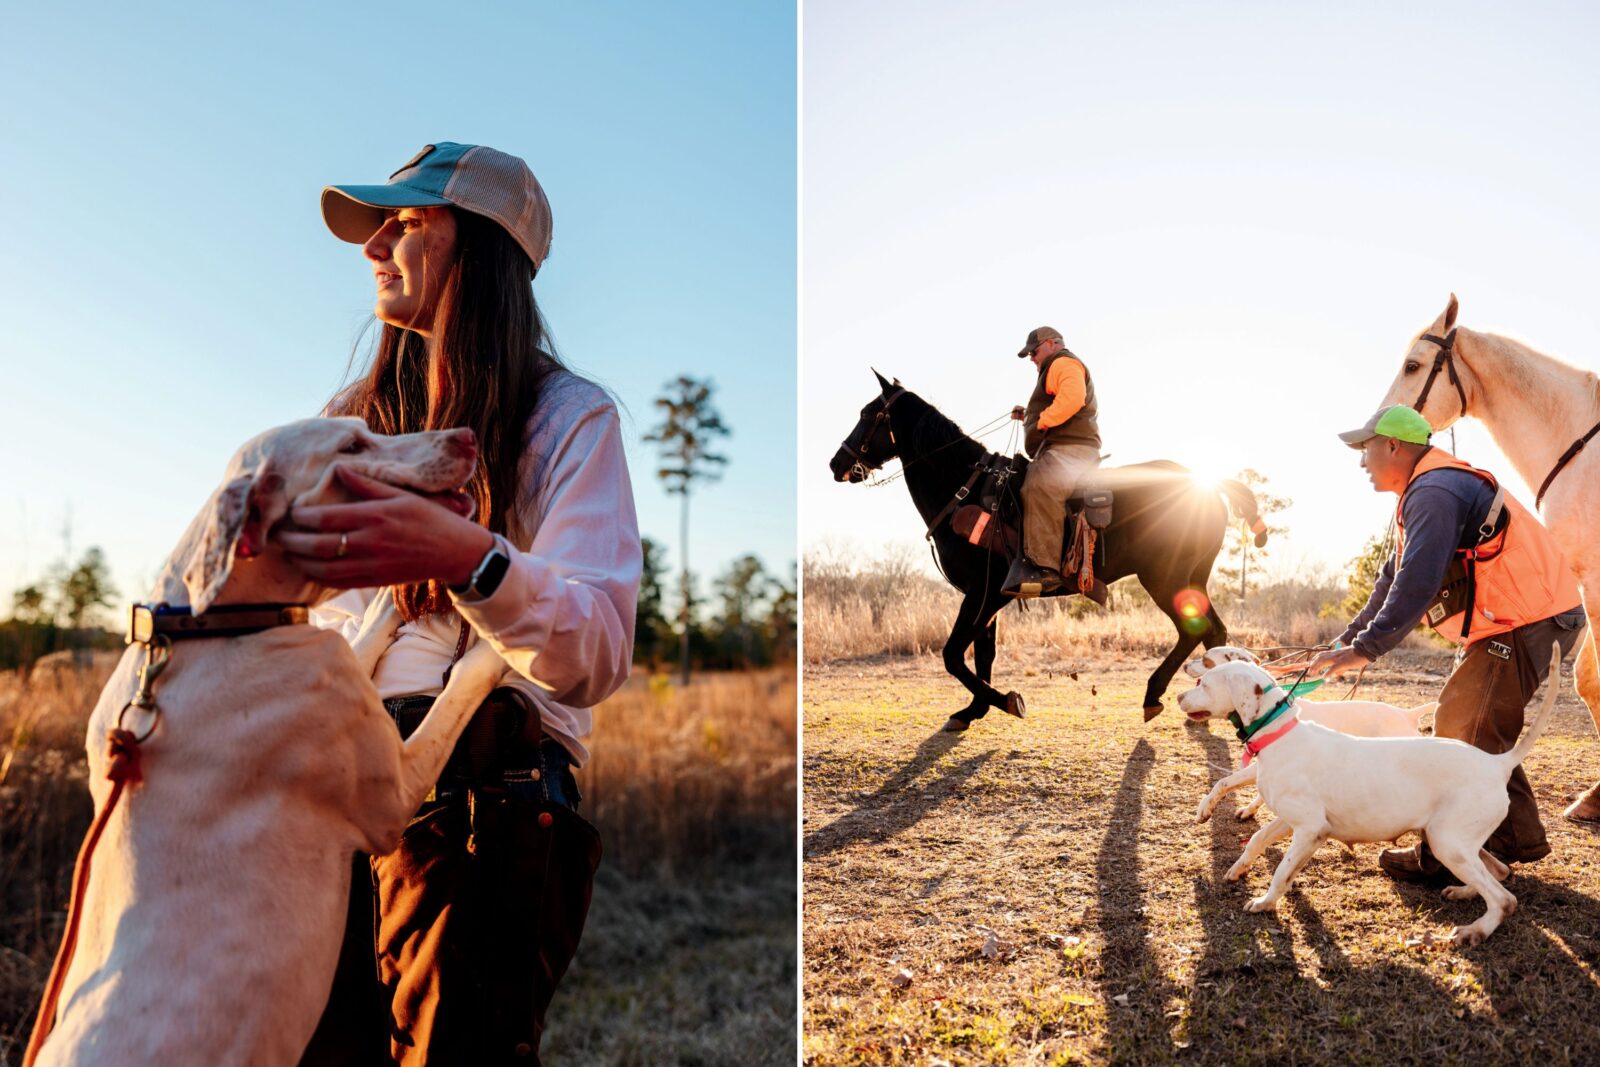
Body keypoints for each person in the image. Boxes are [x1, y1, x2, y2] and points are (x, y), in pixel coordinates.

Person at [280, 142, 642, 1065]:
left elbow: (596, 651)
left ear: (475, 245)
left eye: (402, 223)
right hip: (329, 812)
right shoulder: (352, 424)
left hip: (485, 811)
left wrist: (475, 564)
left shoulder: (570, 419)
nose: (373, 248)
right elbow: (309, 621)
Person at [1308, 404, 1584, 883]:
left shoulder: (1434, 492)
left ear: (1393, 445)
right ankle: (1512, 840)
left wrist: (1365, 650)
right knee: (1480, 725)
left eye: (1366, 449)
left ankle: (1445, 858)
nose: (1361, 462)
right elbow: (1389, 583)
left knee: (1464, 725)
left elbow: (1417, 584)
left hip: (1527, 617)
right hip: (1514, 619)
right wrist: (1345, 643)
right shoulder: (1425, 491)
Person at [1003, 326, 1102, 598]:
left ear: (1050, 344)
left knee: (1039, 485)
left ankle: (1045, 570)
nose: (1032, 358)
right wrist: (1029, 417)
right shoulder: (1055, 367)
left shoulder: (1063, 363)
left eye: (1033, 352)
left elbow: (1072, 399)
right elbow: (1060, 403)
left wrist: (1042, 422)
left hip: (1071, 450)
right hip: (1070, 446)